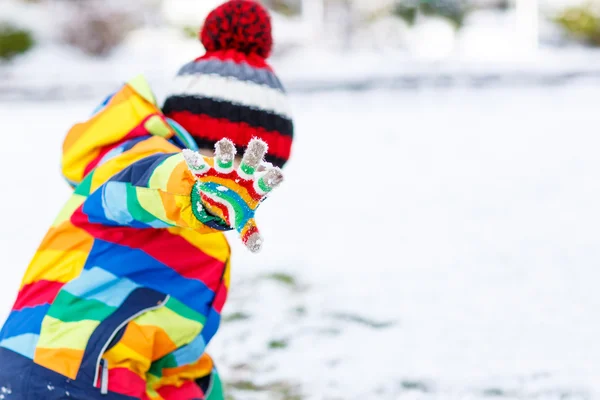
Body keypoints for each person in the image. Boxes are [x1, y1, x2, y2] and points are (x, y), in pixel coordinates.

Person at [0, 1, 293, 399]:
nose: (247, 189)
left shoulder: (203, 245)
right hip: (60, 364)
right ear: (209, 149)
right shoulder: (135, 160)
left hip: (102, 374)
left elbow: (174, 355)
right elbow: (147, 182)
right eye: (242, 168)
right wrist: (195, 186)